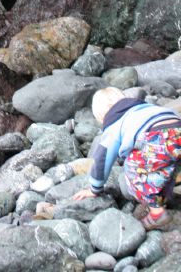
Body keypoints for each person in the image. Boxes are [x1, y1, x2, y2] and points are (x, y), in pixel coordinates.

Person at [73, 86, 181, 230]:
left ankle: (157, 212)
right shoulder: (144, 108)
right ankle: (165, 194)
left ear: (104, 116)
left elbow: (103, 158)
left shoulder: (114, 122)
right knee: (167, 166)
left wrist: (94, 188)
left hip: (157, 137)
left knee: (133, 167)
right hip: (177, 127)